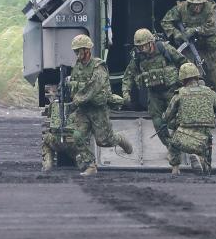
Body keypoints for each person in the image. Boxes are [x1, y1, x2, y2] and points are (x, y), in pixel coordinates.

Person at [67, 34, 132, 177]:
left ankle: (119, 139)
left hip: (98, 109)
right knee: (77, 136)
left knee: (104, 141)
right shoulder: (77, 67)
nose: (78, 54)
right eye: (76, 51)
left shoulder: (99, 66)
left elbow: (93, 88)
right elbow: (74, 85)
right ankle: (91, 165)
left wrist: (76, 101)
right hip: (83, 109)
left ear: (87, 49)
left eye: (80, 50)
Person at [121, 28, 187, 148]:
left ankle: (181, 144)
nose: (141, 49)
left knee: (176, 120)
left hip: (171, 90)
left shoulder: (164, 49)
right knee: (157, 121)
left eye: (144, 45)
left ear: (151, 42)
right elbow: (128, 75)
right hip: (154, 93)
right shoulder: (138, 57)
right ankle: (170, 146)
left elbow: (183, 62)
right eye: (139, 46)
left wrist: (188, 82)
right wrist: (126, 92)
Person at [160, 0, 216, 92]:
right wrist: (177, 34)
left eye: (200, 5)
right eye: (194, 5)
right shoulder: (181, 8)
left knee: (213, 80)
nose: (197, 8)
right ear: (189, 3)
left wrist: (195, 30)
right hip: (188, 50)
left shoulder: (210, 8)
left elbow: (211, 27)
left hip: (207, 49)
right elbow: (165, 22)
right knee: (187, 78)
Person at [163, 63, 216, 175]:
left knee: (173, 143)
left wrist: (169, 120)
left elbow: (168, 116)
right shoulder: (209, 91)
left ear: (182, 79)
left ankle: (175, 169)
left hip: (184, 133)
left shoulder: (180, 94)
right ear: (197, 77)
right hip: (204, 134)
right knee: (206, 145)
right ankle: (203, 162)